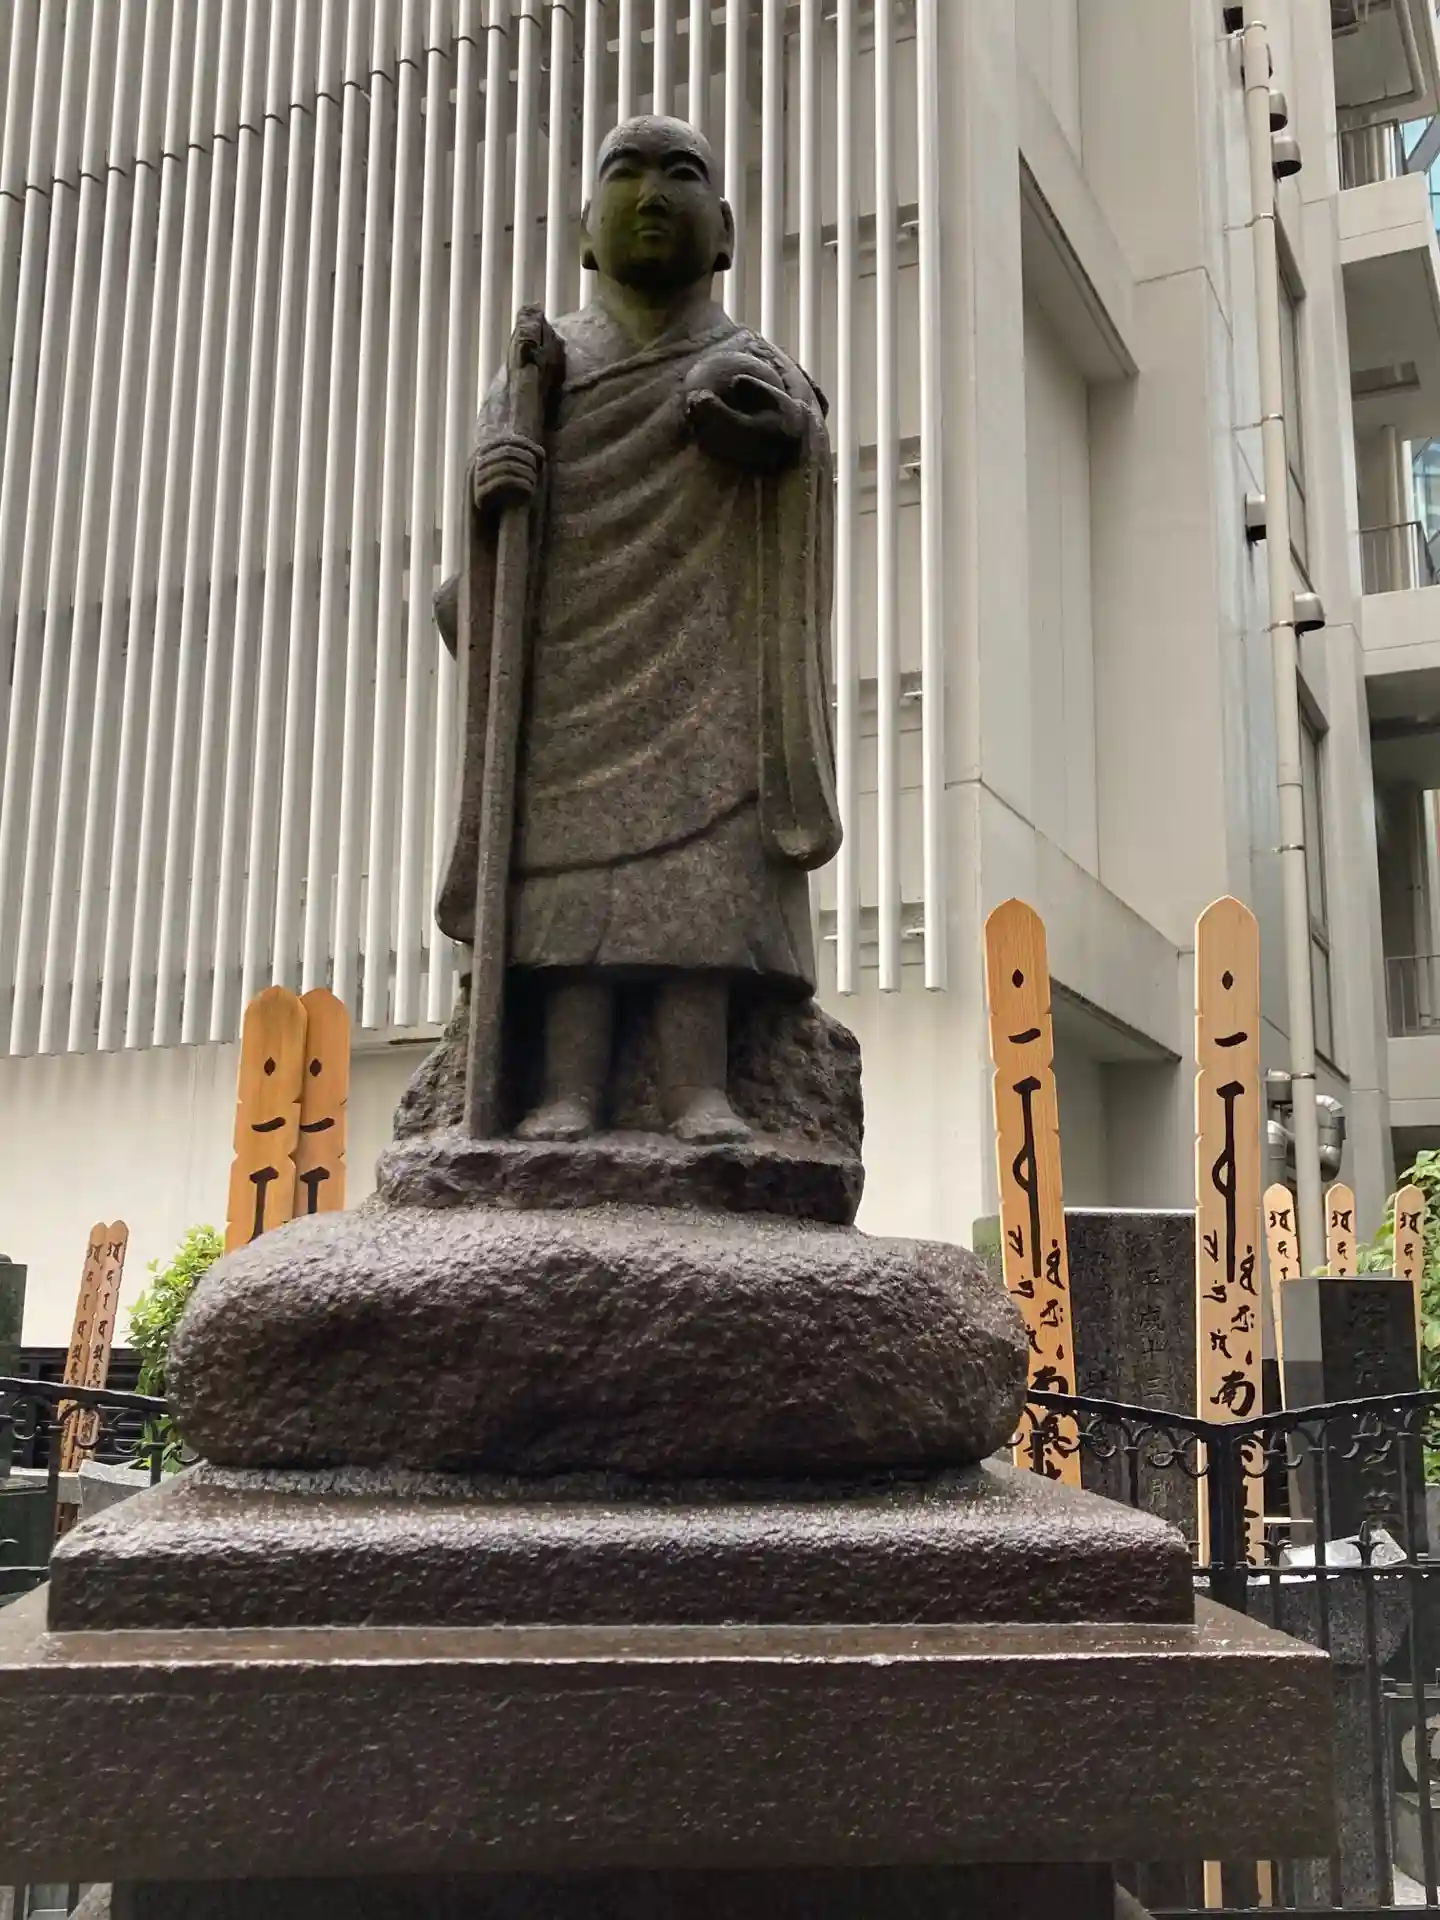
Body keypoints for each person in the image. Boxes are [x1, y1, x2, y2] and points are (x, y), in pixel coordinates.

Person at [435, 115, 839, 1144]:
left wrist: (784, 440)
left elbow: (806, 458)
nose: (653, 194)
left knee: (700, 887)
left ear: (726, 230)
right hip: (570, 675)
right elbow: (477, 562)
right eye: (628, 172)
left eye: (680, 173)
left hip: (711, 673)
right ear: (585, 230)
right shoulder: (540, 371)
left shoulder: (754, 363)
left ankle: (698, 1086)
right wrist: (494, 487)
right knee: (571, 896)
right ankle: (567, 1088)